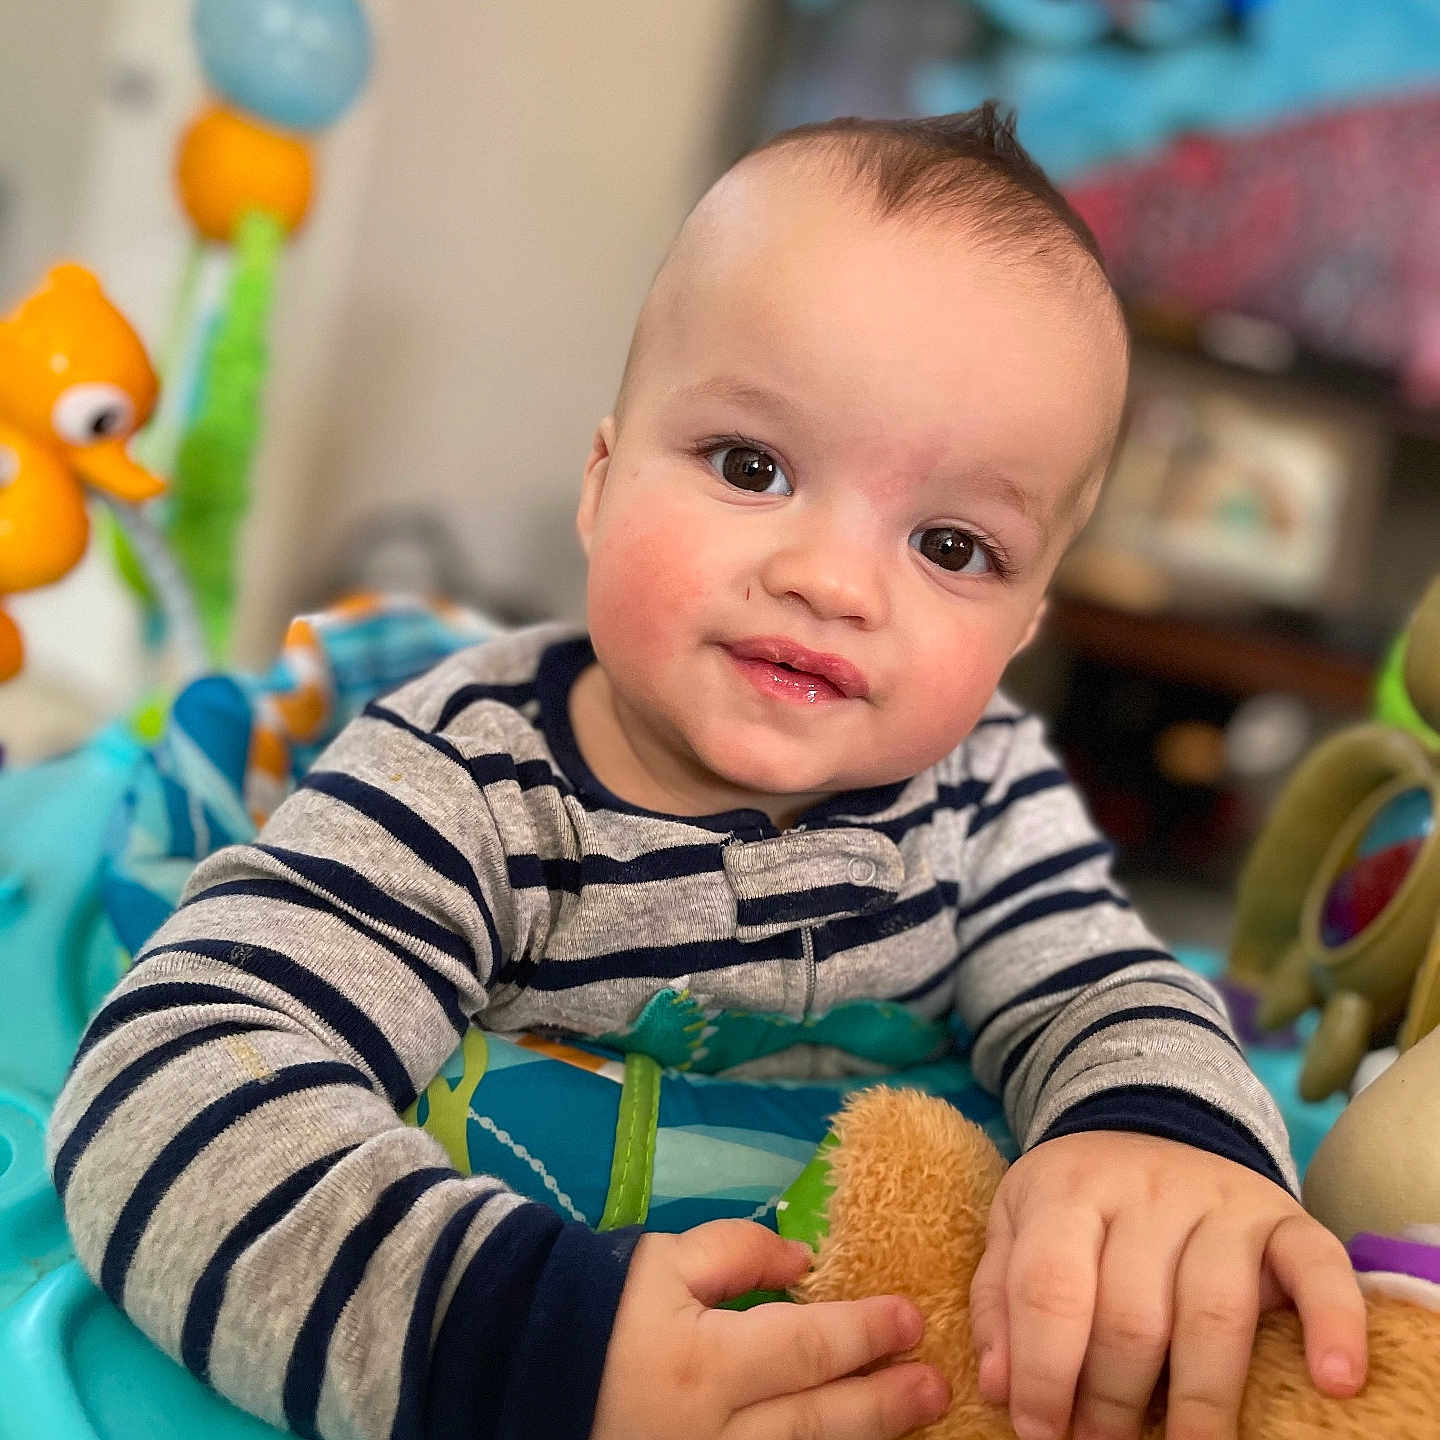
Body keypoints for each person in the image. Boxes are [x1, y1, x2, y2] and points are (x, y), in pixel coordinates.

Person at [48, 105, 1366, 1440]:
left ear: (1025, 625)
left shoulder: (984, 794)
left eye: (952, 547)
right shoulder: (466, 789)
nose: (833, 582)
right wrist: (525, 1350)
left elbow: (1103, 986)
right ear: (601, 479)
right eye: (753, 466)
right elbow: (168, 1090)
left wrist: (1161, 1140)